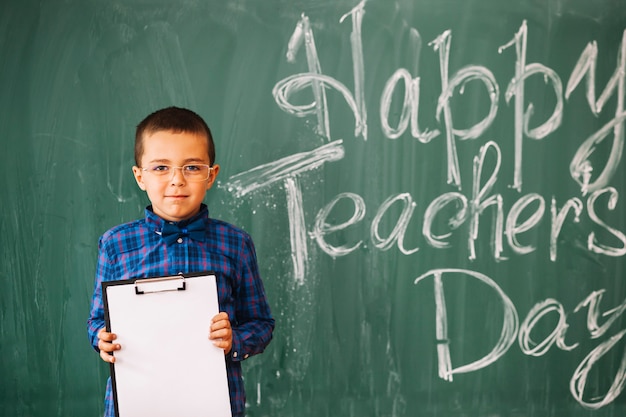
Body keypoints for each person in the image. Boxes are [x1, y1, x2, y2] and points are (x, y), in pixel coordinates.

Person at [87, 106, 275, 417]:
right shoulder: (115, 244)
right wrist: (101, 339)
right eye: (161, 168)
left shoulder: (235, 243)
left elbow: (262, 323)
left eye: (192, 167)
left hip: (214, 404)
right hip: (137, 404)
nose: (177, 180)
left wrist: (234, 340)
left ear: (211, 175)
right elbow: (96, 321)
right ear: (140, 176)